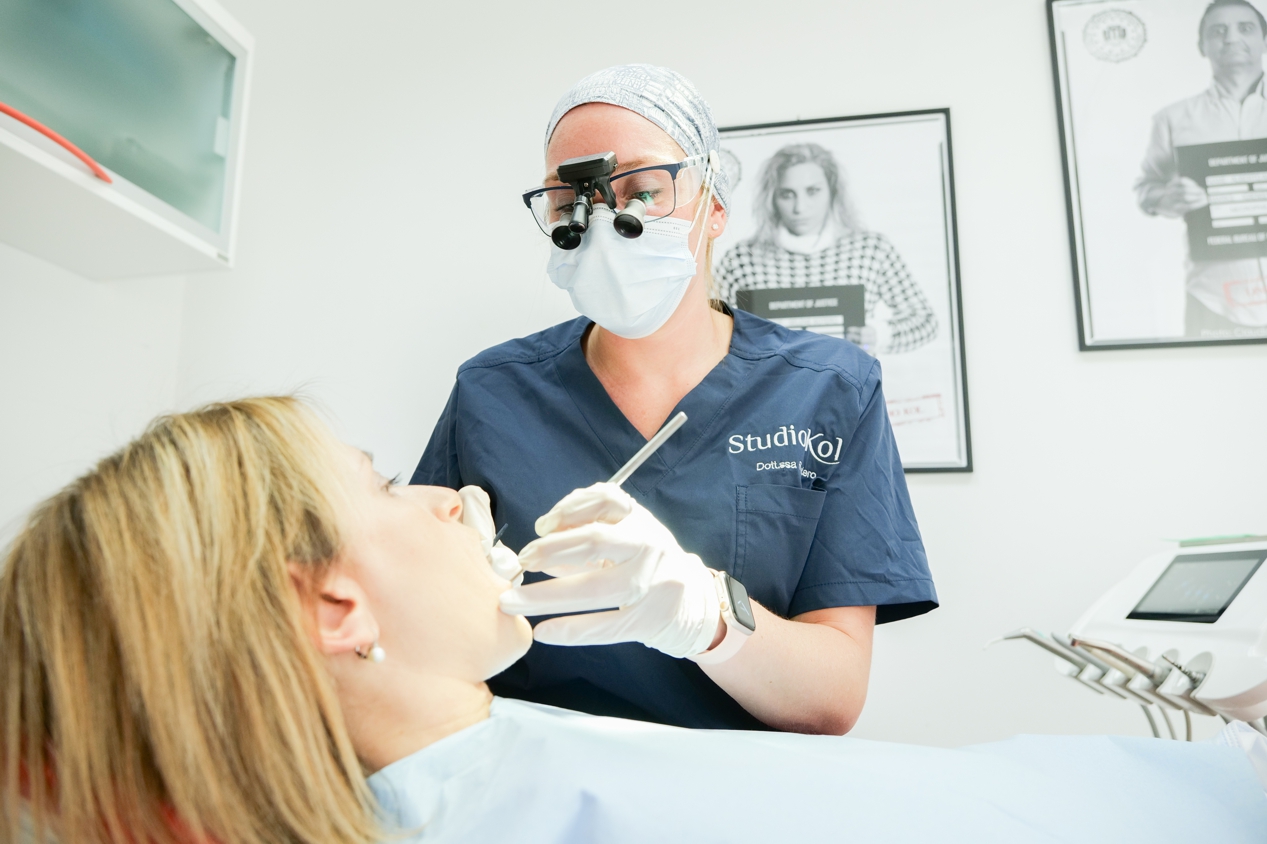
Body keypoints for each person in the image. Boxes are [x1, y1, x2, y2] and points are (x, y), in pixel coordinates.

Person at [3, 397, 1265, 844]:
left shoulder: (485, 771)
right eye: (388, 487)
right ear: (333, 604)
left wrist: (710, 617)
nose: (461, 497)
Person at [412, 64, 938, 734]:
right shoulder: (492, 391)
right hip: (539, 769)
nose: (604, 223)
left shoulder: (829, 387)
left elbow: (831, 698)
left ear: (713, 205)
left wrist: (706, 618)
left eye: (642, 190)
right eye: (569, 201)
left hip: (738, 781)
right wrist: (453, 607)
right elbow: (413, 640)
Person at [715, 142, 939, 354]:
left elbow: (925, 321)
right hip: (770, 381)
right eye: (787, 194)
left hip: (847, 379)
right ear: (772, 198)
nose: (800, 207)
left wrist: (877, 335)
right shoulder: (743, 258)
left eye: (813, 191)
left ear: (832, 191)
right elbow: (707, 327)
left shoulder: (871, 250)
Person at [1136, 0, 1267, 339]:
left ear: (1265, 39)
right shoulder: (1172, 119)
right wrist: (1166, 198)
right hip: (1213, 299)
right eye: (1218, 31)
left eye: (1245, 28)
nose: (1231, 38)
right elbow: (1146, 189)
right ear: (1201, 45)